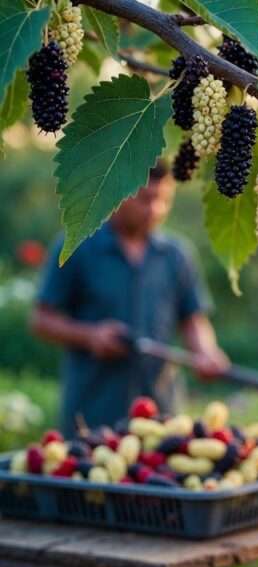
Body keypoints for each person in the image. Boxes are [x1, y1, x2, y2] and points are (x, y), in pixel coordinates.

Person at [30, 160, 230, 436]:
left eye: (163, 200)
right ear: (120, 193)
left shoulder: (176, 255)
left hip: (161, 416)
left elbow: (193, 320)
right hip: (91, 415)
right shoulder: (76, 247)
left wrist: (206, 351)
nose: (155, 210)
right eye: (146, 200)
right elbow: (41, 319)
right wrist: (91, 335)